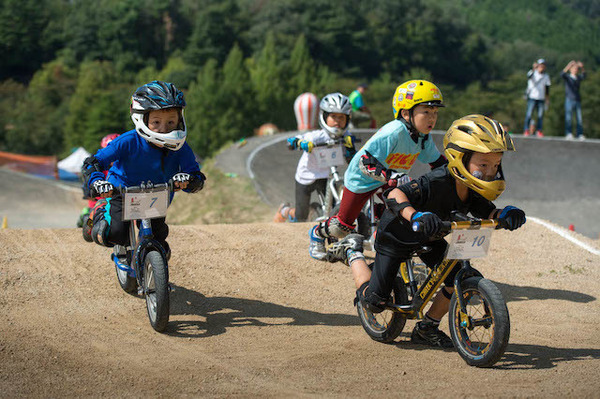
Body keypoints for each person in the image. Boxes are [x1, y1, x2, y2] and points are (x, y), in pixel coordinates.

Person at [328, 114, 526, 348]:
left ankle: (427, 327)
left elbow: (486, 211)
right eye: (483, 165)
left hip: (430, 237)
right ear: (460, 159)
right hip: (396, 236)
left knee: (459, 279)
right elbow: (394, 194)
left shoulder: (471, 188)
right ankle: (353, 252)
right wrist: (415, 215)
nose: (490, 172)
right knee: (374, 302)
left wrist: (503, 215)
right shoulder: (436, 181)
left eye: (495, 165)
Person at [308, 80, 447, 260]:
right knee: (342, 227)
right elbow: (365, 163)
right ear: (405, 113)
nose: (432, 118)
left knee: (403, 214)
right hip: (362, 179)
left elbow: (438, 164)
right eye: (426, 112)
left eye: (435, 113)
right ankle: (317, 234)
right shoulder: (393, 132)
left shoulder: (423, 138)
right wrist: (390, 176)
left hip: (390, 181)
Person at [81, 80, 205, 256]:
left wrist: (190, 181)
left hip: (157, 195)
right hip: (120, 192)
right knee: (113, 234)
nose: (164, 129)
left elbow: (195, 174)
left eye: (171, 122)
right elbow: (94, 162)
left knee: (161, 245)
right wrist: (97, 182)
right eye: (156, 122)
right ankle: (97, 215)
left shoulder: (181, 147)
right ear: (142, 119)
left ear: (180, 119)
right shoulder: (127, 141)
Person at [274, 93, 357, 223]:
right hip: (306, 177)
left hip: (327, 177)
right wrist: (301, 143)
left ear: (348, 118)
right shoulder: (316, 136)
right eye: (333, 116)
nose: (337, 121)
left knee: (334, 208)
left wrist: (350, 149)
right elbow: (290, 142)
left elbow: (351, 161)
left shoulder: (346, 136)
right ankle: (285, 211)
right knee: (301, 217)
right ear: (324, 116)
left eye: (341, 117)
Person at [78, 133, 120, 231]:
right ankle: (88, 223)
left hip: (119, 198)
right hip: (100, 199)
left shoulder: (124, 168)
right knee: (95, 213)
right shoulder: (99, 168)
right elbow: (88, 182)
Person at [523, 58, 551, 137]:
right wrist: (534, 68)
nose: (541, 67)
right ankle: (526, 130)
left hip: (541, 98)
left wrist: (547, 99)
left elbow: (547, 88)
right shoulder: (532, 73)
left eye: (543, 65)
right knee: (529, 114)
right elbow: (529, 76)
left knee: (540, 116)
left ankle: (539, 131)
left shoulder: (546, 76)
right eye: (540, 65)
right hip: (532, 97)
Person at [561, 60, 586, 140]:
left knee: (579, 118)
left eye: (576, 69)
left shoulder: (578, 78)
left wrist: (582, 67)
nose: (575, 70)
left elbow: (584, 75)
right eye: (574, 68)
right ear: (571, 69)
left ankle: (579, 134)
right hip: (569, 99)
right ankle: (568, 133)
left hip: (577, 99)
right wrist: (569, 65)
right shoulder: (568, 77)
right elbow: (562, 74)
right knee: (569, 118)